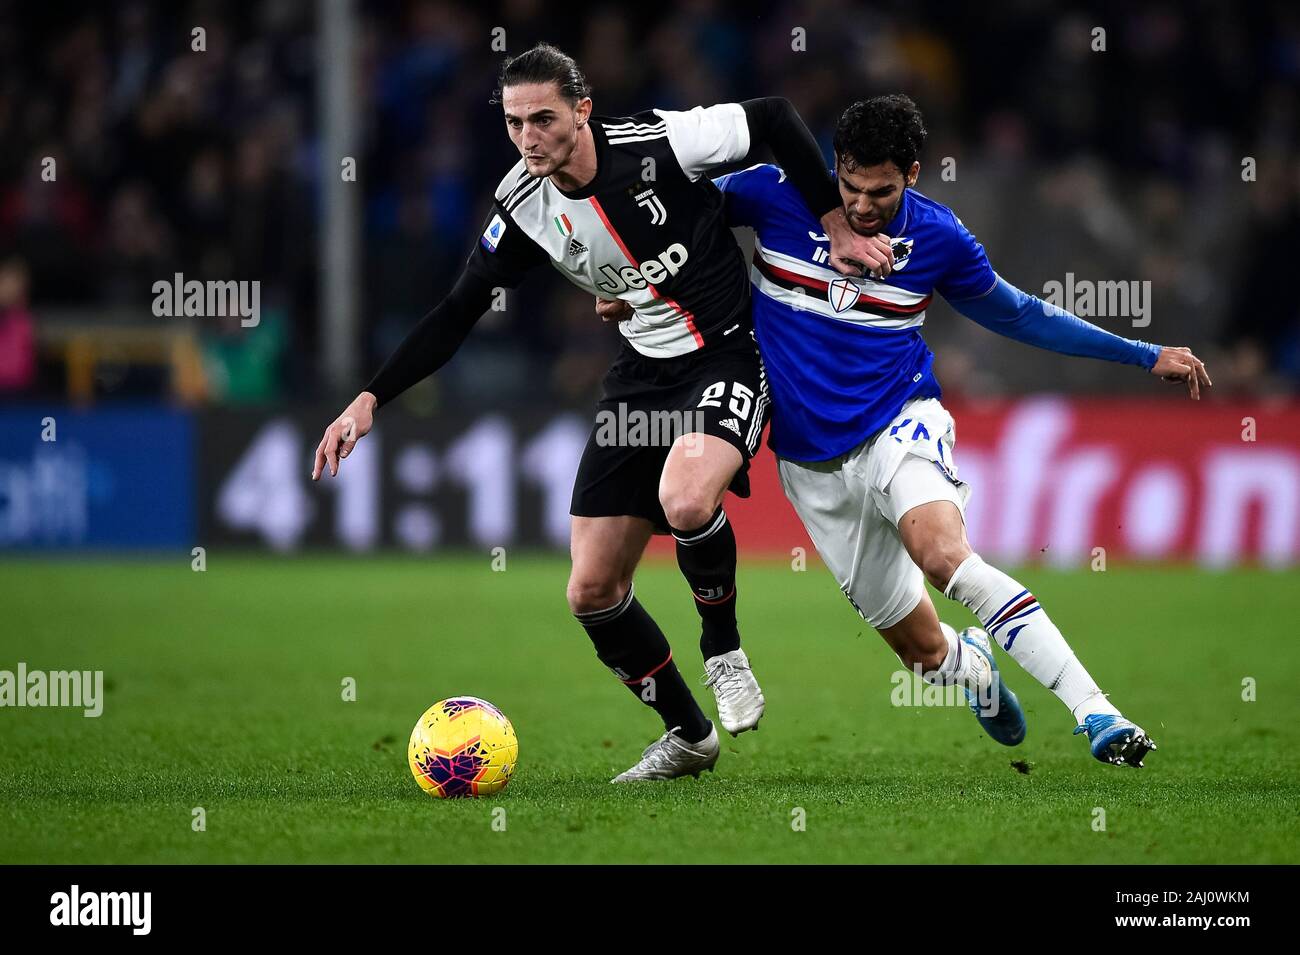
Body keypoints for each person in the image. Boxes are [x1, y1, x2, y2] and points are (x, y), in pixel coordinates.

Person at [311, 44, 893, 782]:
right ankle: (688, 735)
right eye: (515, 123)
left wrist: (836, 224)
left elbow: (774, 118)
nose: (528, 139)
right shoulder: (521, 202)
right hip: (638, 377)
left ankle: (724, 650)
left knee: (686, 498)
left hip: (725, 353)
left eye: (544, 119)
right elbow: (459, 310)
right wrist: (370, 398)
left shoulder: (662, 142)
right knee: (590, 591)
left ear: (582, 112)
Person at [599, 94, 1212, 767]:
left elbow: (1022, 314)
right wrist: (634, 281)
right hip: (812, 465)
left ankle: (1098, 711)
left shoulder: (940, 237)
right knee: (923, 653)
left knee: (947, 559)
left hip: (901, 421)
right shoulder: (773, 193)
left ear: (912, 174)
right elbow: (672, 217)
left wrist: (1145, 353)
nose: (862, 206)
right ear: (833, 167)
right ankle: (971, 669)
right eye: (850, 186)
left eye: (881, 192)